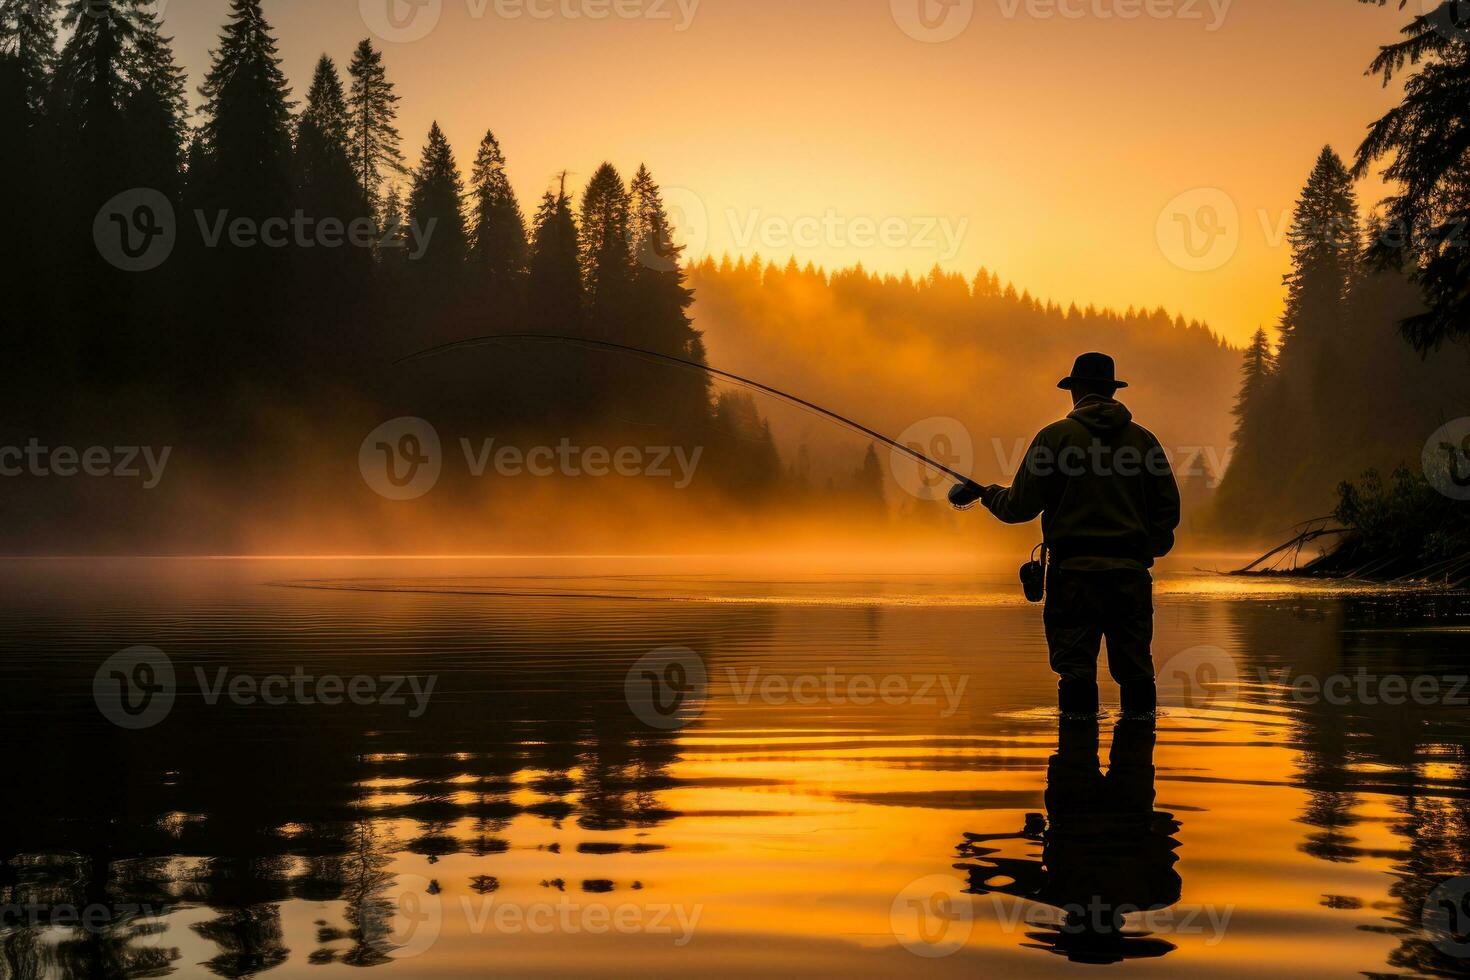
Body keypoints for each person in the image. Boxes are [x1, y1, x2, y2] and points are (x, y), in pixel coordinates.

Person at [950, 353, 1180, 716]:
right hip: (1129, 577)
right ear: (1111, 390)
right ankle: (1137, 757)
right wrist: (1144, 548)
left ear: (1076, 391)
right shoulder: (1144, 442)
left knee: (1075, 672)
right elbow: (1168, 513)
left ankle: (1075, 759)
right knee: (1136, 672)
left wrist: (988, 495)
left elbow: (1018, 508)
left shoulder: (1054, 438)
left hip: (1073, 579)